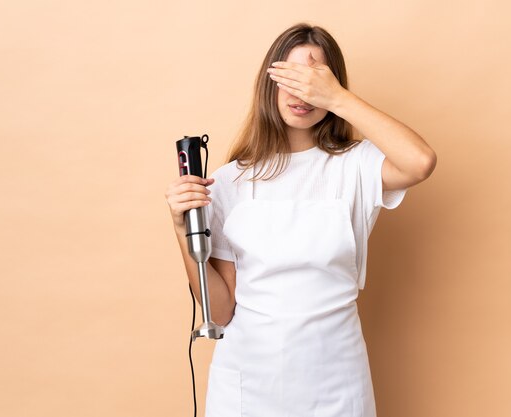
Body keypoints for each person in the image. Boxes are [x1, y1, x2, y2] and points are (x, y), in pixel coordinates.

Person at [165, 22, 436, 417]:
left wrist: (339, 98)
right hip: (247, 385)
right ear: (268, 84)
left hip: (336, 383)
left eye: (314, 80)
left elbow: (421, 161)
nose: (302, 93)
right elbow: (221, 311)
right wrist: (181, 231)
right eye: (290, 78)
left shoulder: (356, 166)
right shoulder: (228, 182)